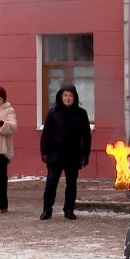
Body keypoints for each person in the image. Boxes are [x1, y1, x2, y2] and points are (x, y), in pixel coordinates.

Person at [39, 84, 91, 220]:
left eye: (70, 96)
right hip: (55, 155)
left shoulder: (81, 114)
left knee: (71, 184)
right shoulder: (53, 113)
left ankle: (69, 209)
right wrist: (44, 152)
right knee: (51, 182)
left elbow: (86, 136)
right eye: (65, 96)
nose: (67, 98)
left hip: (74, 155)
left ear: (75, 97)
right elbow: (45, 134)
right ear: (61, 97)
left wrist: (85, 155)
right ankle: (47, 209)